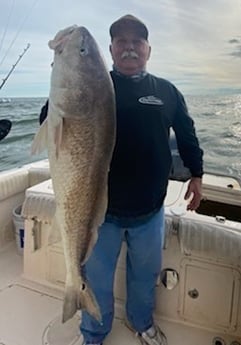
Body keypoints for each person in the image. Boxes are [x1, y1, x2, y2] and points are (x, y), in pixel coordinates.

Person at [39, 14, 203, 345]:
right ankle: (93, 332)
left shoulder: (166, 91)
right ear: (111, 50)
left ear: (148, 49)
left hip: (150, 211)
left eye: (136, 42)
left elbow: (187, 135)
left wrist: (197, 174)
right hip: (102, 214)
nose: (129, 48)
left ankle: (141, 322)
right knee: (95, 278)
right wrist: (61, 69)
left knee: (145, 277)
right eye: (121, 42)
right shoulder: (96, 84)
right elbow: (51, 120)